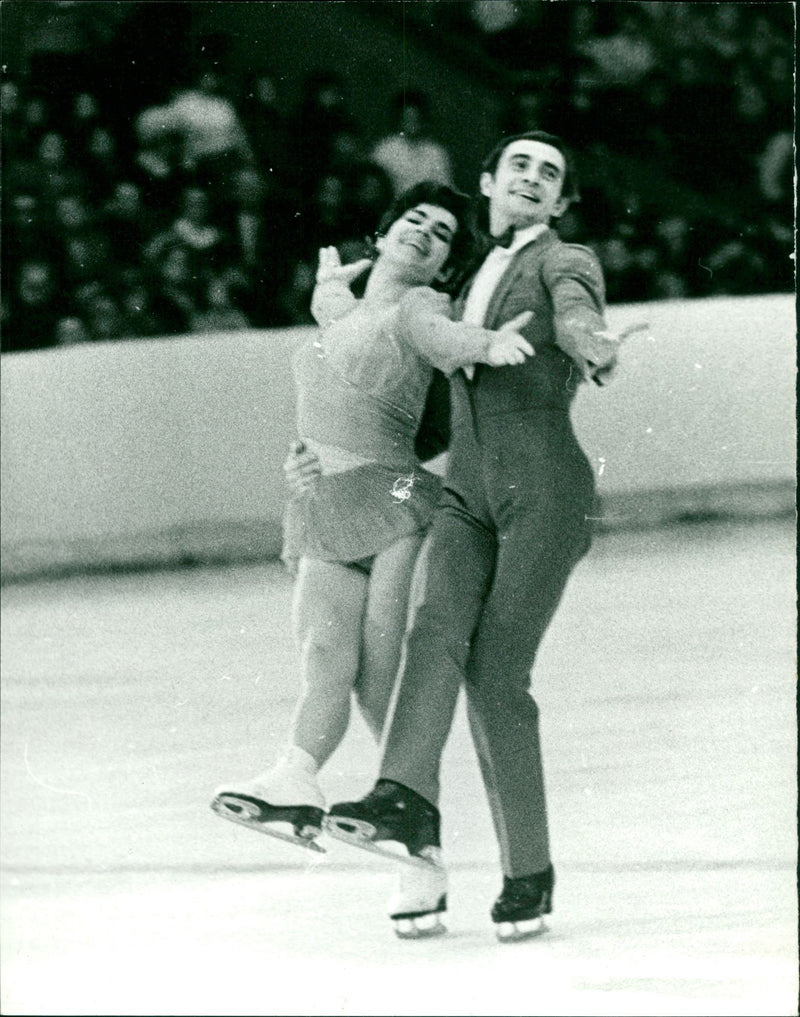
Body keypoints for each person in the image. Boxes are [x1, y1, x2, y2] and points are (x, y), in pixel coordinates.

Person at [324, 132, 630, 942]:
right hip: (466, 491)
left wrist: (589, 340)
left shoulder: (563, 258)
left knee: (496, 674)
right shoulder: (458, 279)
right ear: (489, 181)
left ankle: (529, 869)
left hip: (545, 493)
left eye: (551, 173)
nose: (533, 179)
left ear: (559, 202)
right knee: (433, 634)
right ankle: (403, 797)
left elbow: (574, 305)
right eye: (519, 166)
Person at [212, 181, 536, 933]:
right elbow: (332, 380)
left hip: (393, 501)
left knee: (382, 681)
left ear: (447, 264)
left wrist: (485, 343)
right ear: (383, 232)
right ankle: (297, 780)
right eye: (413, 220)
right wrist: (298, 463)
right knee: (325, 655)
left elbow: (445, 342)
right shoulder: (341, 308)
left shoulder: (421, 309)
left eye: (444, 234)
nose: (424, 233)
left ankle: (421, 852)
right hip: (322, 506)